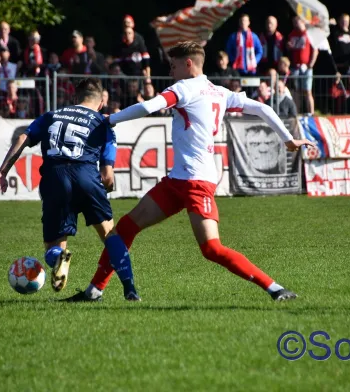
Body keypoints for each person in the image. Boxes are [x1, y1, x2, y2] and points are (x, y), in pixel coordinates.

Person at [65, 41, 313, 303]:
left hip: (196, 183)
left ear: (188, 64)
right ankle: (95, 291)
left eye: (173, 66)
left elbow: (149, 107)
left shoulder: (184, 88)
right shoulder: (220, 92)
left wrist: (110, 120)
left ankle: (274, 288)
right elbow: (261, 107)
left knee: (211, 248)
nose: (170, 71)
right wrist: (287, 138)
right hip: (177, 181)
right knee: (125, 227)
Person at [0, 79, 139, 300]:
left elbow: (23, 137)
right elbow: (107, 176)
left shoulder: (52, 115)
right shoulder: (103, 123)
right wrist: (106, 188)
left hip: (55, 177)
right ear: (100, 103)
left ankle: (59, 257)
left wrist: (2, 172)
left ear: (75, 99)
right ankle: (130, 288)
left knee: (53, 246)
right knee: (110, 235)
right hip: (87, 176)